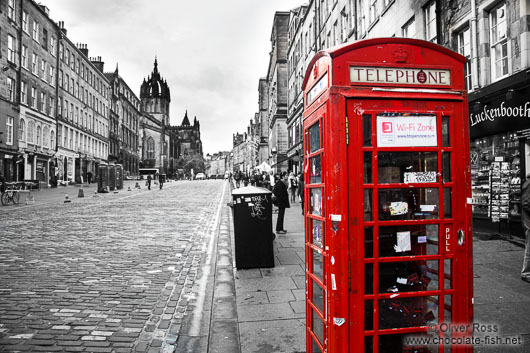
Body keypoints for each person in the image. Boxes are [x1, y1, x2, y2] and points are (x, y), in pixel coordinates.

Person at [521, 174, 530, 283]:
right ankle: (526, 273)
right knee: (529, 247)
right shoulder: (529, 183)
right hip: (529, 221)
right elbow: (526, 203)